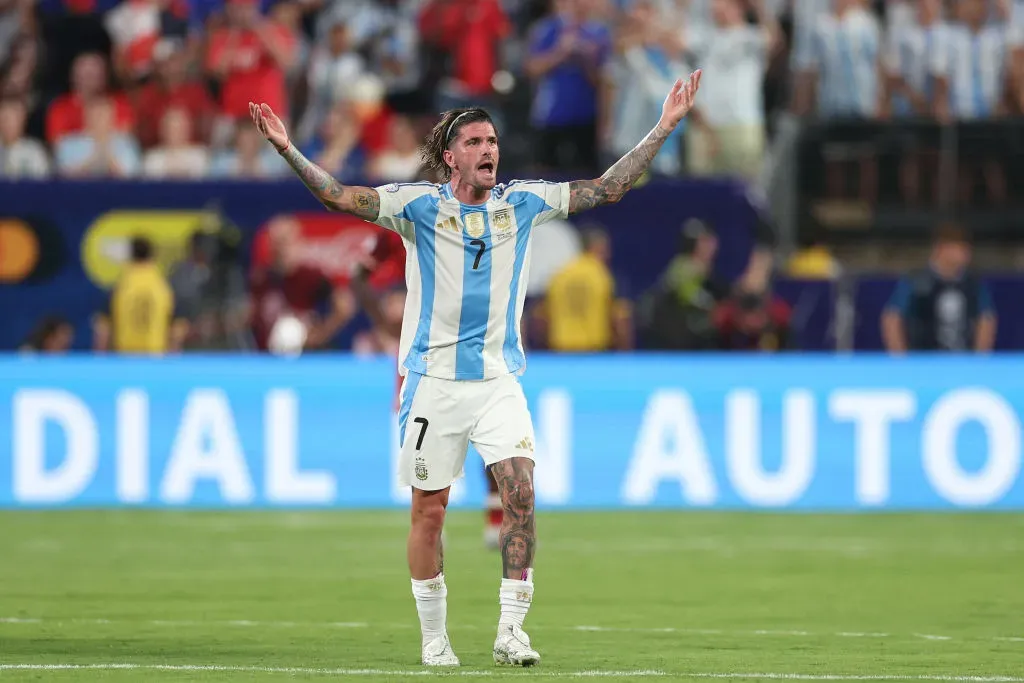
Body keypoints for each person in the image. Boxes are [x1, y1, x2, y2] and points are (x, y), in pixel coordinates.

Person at [248, 67, 702, 667]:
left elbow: (605, 188)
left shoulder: (524, 202)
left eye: (492, 141)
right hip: (432, 384)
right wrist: (286, 148)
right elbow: (338, 195)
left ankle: (511, 630)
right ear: (448, 157)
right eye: (474, 143)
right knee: (428, 511)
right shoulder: (415, 208)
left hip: (497, 382)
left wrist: (663, 127)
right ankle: (434, 638)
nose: (488, 151)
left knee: (520, 492)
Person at [881, 224, 997, 353]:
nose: (966, 254)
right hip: (923, 362)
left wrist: (980, 361)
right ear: (941, 249)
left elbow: (986, 319)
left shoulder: (973, 284)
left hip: (963, 362)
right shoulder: (916, 281)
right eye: (960, 248)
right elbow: (892, 318)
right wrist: (900, 360)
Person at [92, 236, 188, 354]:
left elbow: (103, 329)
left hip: (125, 358)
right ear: (152, 256)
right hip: (155, 358)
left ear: (130, 255)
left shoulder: (120, 287)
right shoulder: (164, 287)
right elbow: (177, 329)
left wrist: (100, 360)